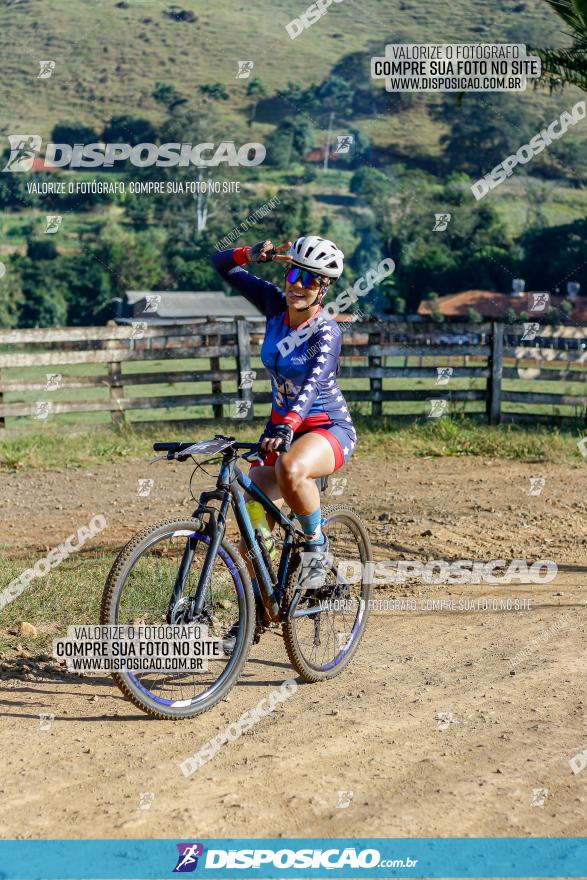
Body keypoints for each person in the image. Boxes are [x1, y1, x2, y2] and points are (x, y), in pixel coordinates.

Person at [211, 236, 356, 632]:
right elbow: (221, 264)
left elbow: (312, 386)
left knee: (291, 468)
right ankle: (262, 605)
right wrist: (250, 254)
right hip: (281, 428)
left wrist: (288, 425)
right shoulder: (275, 305)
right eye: (293, 273)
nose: (297, 285)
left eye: (309, 280)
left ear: (323, 288)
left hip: (326, 428)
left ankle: (317, 553)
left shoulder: (326, 332)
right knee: (251, 523)